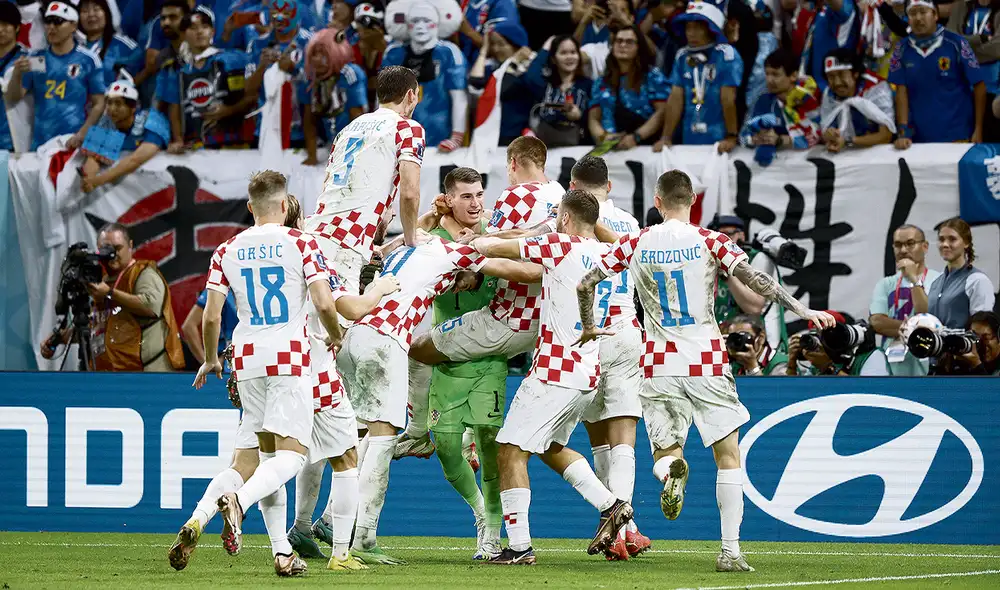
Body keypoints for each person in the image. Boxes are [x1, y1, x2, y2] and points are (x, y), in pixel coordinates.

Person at [576, 169, 835, 573]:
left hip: (659, 360)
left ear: (657, 202)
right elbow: (757, 280)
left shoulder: (636, 240)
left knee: (665, 452)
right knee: (727, 456)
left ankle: (670, 472)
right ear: (693, 200)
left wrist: (588, 324)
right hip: (708, 359)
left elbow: (586, 281)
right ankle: (730, 552)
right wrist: (803, 310)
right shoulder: (711, 240)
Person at [340, 217, 541, 565]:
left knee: (353, 440)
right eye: (465, 195)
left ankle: (332, 529)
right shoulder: (451, 252)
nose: (462, 286)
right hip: (392, 342)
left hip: (355, 337)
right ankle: (363, 538)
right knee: (384, 443)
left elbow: (411, 234)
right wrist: (549, 243)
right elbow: (515, 265)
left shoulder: (411, 244)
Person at [289, 66, 427, 562]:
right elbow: (409, 192)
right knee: (330, 398)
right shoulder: (406, 127)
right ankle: (342, 535)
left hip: (319, 241)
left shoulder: (351, 126)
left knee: (321, 384)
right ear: (410, 97)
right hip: (342, 256)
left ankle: (306, 524)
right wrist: (410, 241)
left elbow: (345, 191)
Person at [191, 170, 345, 577]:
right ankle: (237, 502)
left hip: (245, 358)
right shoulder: (301, 242)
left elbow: (210, 316)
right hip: (289, 357)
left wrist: (210, 359)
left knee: (265, 456)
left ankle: (281, 553)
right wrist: (337, 336)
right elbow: (324, 303)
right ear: (284, 203)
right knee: (293, 456)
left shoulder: (227, 249)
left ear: (249, 207)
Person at [470, 190, 634, 565]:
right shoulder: (609, 255)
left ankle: (520, 546)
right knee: (547, 447)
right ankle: (611, 504)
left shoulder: (560, 246)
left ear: (564, 218)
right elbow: (621, 244)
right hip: (586, 372)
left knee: (510, 450)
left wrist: (475, 241)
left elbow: (498, 248)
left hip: (554, 372)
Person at [393, 167, 510, 561]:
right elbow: (392, 251)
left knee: (491, 447)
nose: (476, 203)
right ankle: (479, 510)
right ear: (448, 199)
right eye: (466, 196)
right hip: (447, 356)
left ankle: (492, 533)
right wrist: (425, 220)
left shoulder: (497, 233)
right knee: (444, 446)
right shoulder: (431, 240)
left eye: (479, 194)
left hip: (489, 356)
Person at [407, 136, 566, 372]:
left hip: (510, 319)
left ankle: (415, 411)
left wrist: (446, 219)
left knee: (418, 350)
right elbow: (516, 230)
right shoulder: (559, 194)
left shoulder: (516, 194)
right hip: (551, 319)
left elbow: (478, 245)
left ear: (513, 163)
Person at [569, 156, 650, 561]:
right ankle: (627, 528)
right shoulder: (631, 224)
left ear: (572, 187)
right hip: (623, 330)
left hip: (584, 332)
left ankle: (620, 523)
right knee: (623, 437)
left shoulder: (568, 219)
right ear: (609, 187)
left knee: (595, 436)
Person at [5, 0, 106, 150]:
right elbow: (13, 98)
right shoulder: (37, 59)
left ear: (73, 26)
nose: (51, 27)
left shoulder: (88, 60)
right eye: (48, 22)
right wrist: (17, 74)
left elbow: (99, 103)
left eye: (58, 22)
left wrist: (82, 134)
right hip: (40, 144)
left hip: (73, 141)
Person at [155, 6, 255, 152]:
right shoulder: (178, 72)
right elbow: (174, 108)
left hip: (235, 145)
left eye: (205, 26)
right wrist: (178, 140)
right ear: (183, 34)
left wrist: (229, 110)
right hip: (195, 147)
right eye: (193, 28)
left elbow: (252, 96)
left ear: (212, 32)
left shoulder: (233, 60)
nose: (200, 31)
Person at [86, 223, 183, 371]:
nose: (112, 254)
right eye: (106, 250)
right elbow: (97, 325)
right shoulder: (102, 283)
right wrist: (61, 338)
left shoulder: (143, 273)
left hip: (147, 374)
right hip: (111, 376)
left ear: (130, 245)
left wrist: (110, 294)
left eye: (117, 248)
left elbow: (151, 306)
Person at [890, 0, 986, 147]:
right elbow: (901, 92)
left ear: (935, 15)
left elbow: (979, 85)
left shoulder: (957, 43)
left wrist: (978, 129)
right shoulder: (900, 50)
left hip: (957, 135)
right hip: (918, 139)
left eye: (923, 12)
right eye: (912, 13)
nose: (918, 18)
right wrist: (903, 131)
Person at [657, 0, 743, 152]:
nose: (691, 33)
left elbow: (728, 98)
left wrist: (731, 135)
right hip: (689, 137)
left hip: (719, 139)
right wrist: (666, 137)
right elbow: (675, 98)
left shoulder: (727, 55)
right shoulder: (682, 56)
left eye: (698, 28)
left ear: (712, 29)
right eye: (688, 27)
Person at [382, 0, 468, 151]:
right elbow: (384, 99)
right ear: (407, 23)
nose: (420, 26)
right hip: (401, 137)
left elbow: (459, 97)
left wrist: (456, 137)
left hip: (440, 135)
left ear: (437, 22)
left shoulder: (449, 53)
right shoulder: (393, 53)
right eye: (415, 21)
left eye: (426, 21)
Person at [869, 224, 941, 376]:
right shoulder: (885, 284)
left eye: (910, 244)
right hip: (890, 368)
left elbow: (928, 317)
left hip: (930, 367)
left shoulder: (940, 280)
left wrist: (913, 279)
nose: (903, 250)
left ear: (925, 246)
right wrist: (913, 329)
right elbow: (876, 322)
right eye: (898, 245)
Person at [79, 78, 170, 193]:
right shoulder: (106, 122)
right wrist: (88, 178)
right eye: (109, 103)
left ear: (133, 107)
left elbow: (135, 160)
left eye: (118, 104)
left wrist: (99, 180)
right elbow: (94, 158)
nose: (112, 109)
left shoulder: (152, 121)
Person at [588, 24, 667, 148]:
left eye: (629, 42)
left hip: (644, 146)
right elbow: (593, 119)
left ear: (638, 47)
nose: (623, 45)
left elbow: (662, 111)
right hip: (609, 148)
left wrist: (637, 136)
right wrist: (603, 136)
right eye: (619, 41)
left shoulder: (653, 77)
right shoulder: (601, 82)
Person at [740, 48, 821, 161]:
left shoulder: (806, 100)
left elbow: (816, 135)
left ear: (793, 76)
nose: (769, 80)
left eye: (775, 74)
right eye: (767, 74)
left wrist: (780, 140)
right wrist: (754, 139)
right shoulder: (763, 100)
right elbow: (743, 136)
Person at [467, 20, 535, 146]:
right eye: (493, 44)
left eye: (501, 44)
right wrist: (484, 50)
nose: (496, 49)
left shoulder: (530, 68)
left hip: (519, 137)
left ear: (516, 44)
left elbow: (502, 89)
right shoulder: (493, 68)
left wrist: (513, 63)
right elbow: (474, 83)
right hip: (492, 135)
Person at [819, 48, 894, 153]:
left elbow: (886, 136)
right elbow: (824, 128)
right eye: (830, 77)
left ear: (855, 73)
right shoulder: (829, 93)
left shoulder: (876, 88)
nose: (837, 82)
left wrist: (848, 141)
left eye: (841, 74)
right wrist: (829, 136)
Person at [522, 35, 592, 147]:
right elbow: (530, 76)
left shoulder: (588, 85)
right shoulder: (546, 85)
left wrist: (579, 115)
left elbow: (596, 116)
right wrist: (546, 48)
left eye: (573, 52)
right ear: (554, 59)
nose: (569, 57)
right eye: (563, 53)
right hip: (547, 147)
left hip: (579, 148)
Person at [303, 26, 368, 144]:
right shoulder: (312, 78)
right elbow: (309, 119)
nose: (317, 59)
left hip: (353, 146)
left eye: (323, 54)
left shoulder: (350, 74)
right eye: (314, 54)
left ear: (336, 52)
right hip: (330, 145)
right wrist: (312, 157)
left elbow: (358, 117)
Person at [928, 217, 996, 329]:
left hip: (962, 346)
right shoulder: (935, 282)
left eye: (952, 239)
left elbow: (982, 329)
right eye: (941, 239)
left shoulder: (977, 281)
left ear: (966, 243)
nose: (945, 244)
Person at [949, 0, 1000, 142]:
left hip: (992, 88)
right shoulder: (961, 5)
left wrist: (965, 50)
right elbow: (950, 41)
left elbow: (997, 49)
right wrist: (982, 39)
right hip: (961, 88)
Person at [785, 312, 892, 376]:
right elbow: (796, 397)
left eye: (826, 335)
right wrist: (791, 366)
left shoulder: (871, 357)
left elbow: (871, 395)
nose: (821, 342)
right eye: (816, 336)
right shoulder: (817, 365)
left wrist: (829, 368)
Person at [79, 0, 142, 86]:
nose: (91, 14)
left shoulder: (123, 45)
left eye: (96, 9)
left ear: (107, 13)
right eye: (85, 11)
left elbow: (140, 69)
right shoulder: (73, 46)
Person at [805, 0, 859, 91]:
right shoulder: (818, 8)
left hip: (833, 86)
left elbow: (841, 10)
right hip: (812, 84)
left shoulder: (847, 5)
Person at [0, 2, 28, 152]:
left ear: (17, 27)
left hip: (13, 141)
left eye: (5, 25)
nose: (0, 30)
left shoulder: (30, 58)